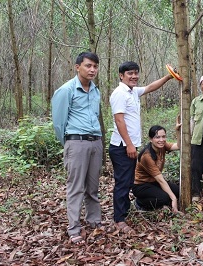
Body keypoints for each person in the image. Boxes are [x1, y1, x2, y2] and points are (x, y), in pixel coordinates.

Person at [109, 61, 174, 233]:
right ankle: (119, 220)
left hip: (130, 146)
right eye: (130, 73)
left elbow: (151, 87)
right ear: (121, 76)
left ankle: (124, 211)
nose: (134, 76)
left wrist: (169, 77)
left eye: (136, 73)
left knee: (128, 181)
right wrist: (129, 145)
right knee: (123, 183)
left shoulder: (132, 91)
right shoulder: (119, 94)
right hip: (122, 146)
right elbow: (119, 120)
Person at [51, 52, 103, 245]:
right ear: (77, 67)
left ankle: (94, 220)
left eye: (95, 67)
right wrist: (69, 145)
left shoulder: (96, 90)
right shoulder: (66, 90)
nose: (92, 70)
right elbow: (58, 122)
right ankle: (74, 228)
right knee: (76, 187)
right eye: (88, 66)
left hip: (95, 142)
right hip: (76, 142)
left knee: (93, 186)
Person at [132, 123, 181, 213]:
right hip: (141, 185)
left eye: (163, 137)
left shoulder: (162, 145)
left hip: (153, 182)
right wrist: (173, 199)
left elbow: (178, 146)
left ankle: (161, 200)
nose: (161, 140)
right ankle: (140, 203)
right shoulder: (147, 156)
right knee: (165, 198)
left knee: (178, 191)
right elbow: (161, 180)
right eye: (157, 137)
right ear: (151, 139)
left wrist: (178, 131)